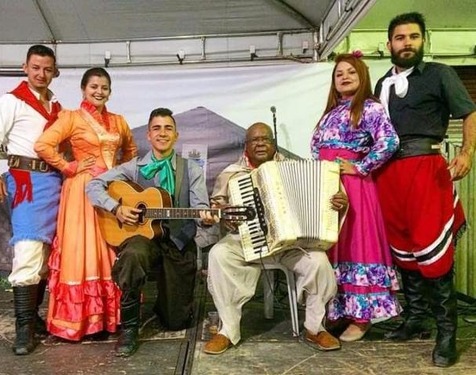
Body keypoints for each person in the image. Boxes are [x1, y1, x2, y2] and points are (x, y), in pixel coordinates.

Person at [373, 12, 476, 367]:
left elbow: (469, 112)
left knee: (432, 247)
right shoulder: (381, 84)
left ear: (423, 41)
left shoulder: (440, 74)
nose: (407, 43)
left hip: (425, 168)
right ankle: (416, 317)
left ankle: (448, 332)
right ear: (389, 45)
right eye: (400, 38)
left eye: (413, 37)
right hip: (388, 174)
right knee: (403, 247)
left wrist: (467, 151)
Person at [203, 122, 349, 355]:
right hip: (246, 241)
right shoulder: (231, 174)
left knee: (319, 262)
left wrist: (339, 203)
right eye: (255, 140)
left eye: (266, 139)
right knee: (219, 254)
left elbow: (324, 199)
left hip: (291, 244)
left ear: (273, 143)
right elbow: (218, 207)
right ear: (246, 146)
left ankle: (315, 327)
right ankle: (227, 330)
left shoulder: (294, 167)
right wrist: (221, 217)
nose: (260, 143)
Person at [86, 107, 218, 357]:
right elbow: (94, 185)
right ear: (148, 135)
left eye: (168, 128)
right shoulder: (135, 167)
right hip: (143, 239)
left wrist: (207, 219)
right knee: (133, 254)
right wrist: (117, 208)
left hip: (178, 242)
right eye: (157, 128)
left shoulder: (191, 169)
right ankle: (129, 329)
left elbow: (200, 208)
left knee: (176, 321)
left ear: (176, 135)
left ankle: (166, 303)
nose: (162, 133)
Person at [34, 67, 138, 341]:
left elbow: (131, 151)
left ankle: (108, 317)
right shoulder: (71, 118)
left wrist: (119, 173)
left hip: (112, 192)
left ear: (110, 91)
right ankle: (79, 320)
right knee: (84, 250)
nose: (99, 92)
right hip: (81, 192)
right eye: (94, 87)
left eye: (104, 87)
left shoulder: (118, 121)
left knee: (110, 247)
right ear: (83, 89)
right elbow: (43, 145)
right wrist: (70, 166)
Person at [0, 45, 62, 355]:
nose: (41, 74)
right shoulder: (10, 101)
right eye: (35, 67)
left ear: (54, 72)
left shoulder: (57, 107)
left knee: (49, 255)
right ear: (25, 67)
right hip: (26, 179)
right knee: (27, 250)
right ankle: (23, 329)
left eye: (47, 69)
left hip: (56, 182)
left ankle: (35, 319)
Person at [311, 53, 402, 342]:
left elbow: (390, 141)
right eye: (339, 73)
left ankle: (361, 318)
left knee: (356, 248)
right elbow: (316, 149)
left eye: (351, 72)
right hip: (327, 186)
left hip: (355, 187)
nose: (345, 77)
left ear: (362, 76)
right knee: (333, 249)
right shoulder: (329, 112)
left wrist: (360, 166)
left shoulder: (370, 108)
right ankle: (339, 313)